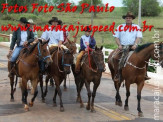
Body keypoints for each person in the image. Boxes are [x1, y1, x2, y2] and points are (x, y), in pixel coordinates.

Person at [113, 12, 150, 82]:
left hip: (133, 46)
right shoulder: (120, 27)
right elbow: (116, 37)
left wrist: (135, 44)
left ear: (132, 19)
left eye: (129, 18)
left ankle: (145, 74)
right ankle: (118, 73)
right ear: (125, 19)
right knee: (115, 58)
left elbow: (138, 37)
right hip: (123, 47)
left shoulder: (136, 27)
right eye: (127, 18)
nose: (128, 19)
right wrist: (119, 45)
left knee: (145, 57)